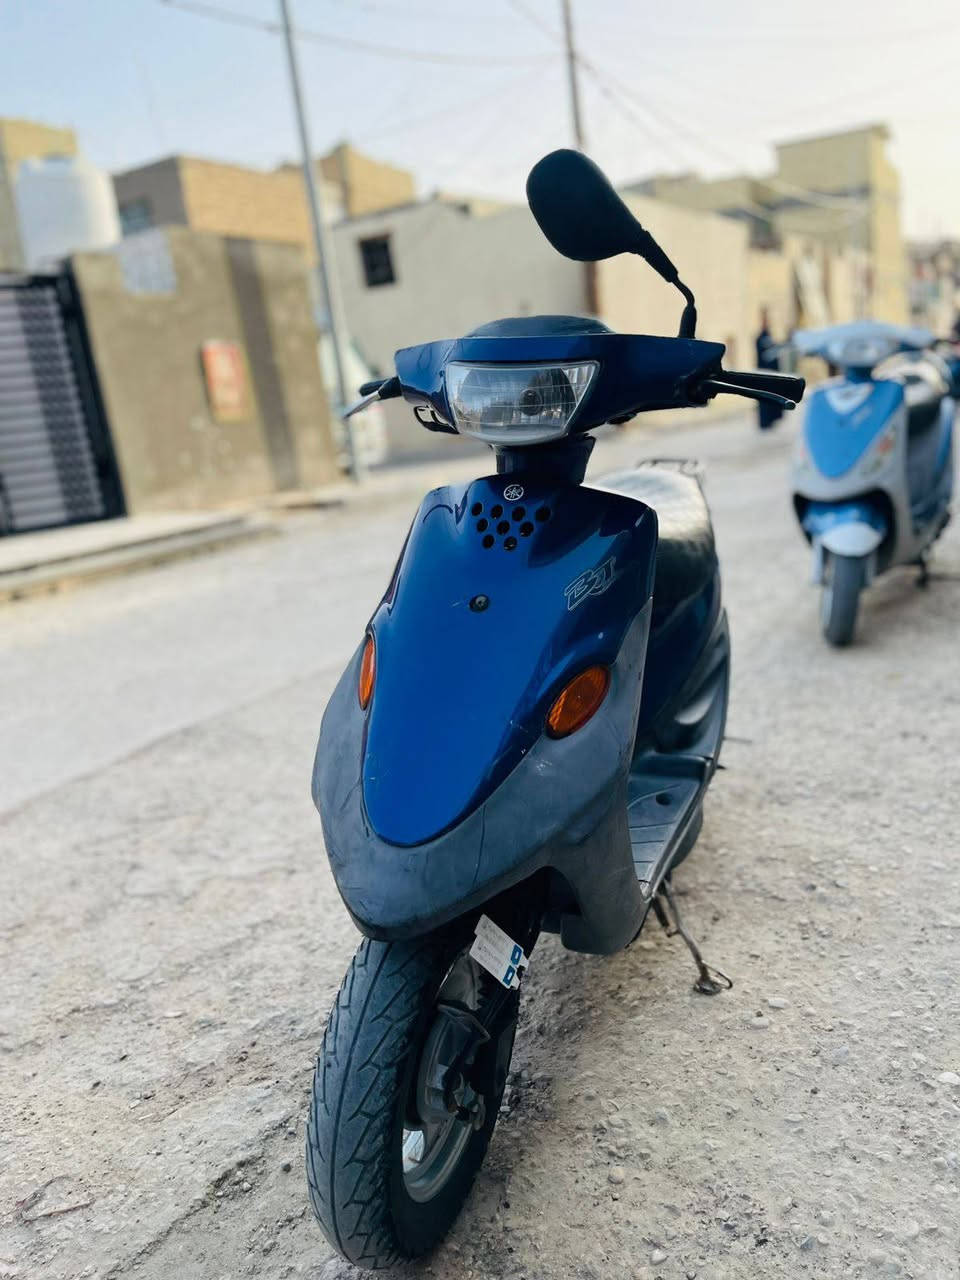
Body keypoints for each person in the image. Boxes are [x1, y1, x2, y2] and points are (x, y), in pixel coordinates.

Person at [755, 308, 783, 431]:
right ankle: (765, 422)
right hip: (763, 374)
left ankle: (770, 420)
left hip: (770, 374)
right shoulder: (760, 338)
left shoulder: (769, 336)